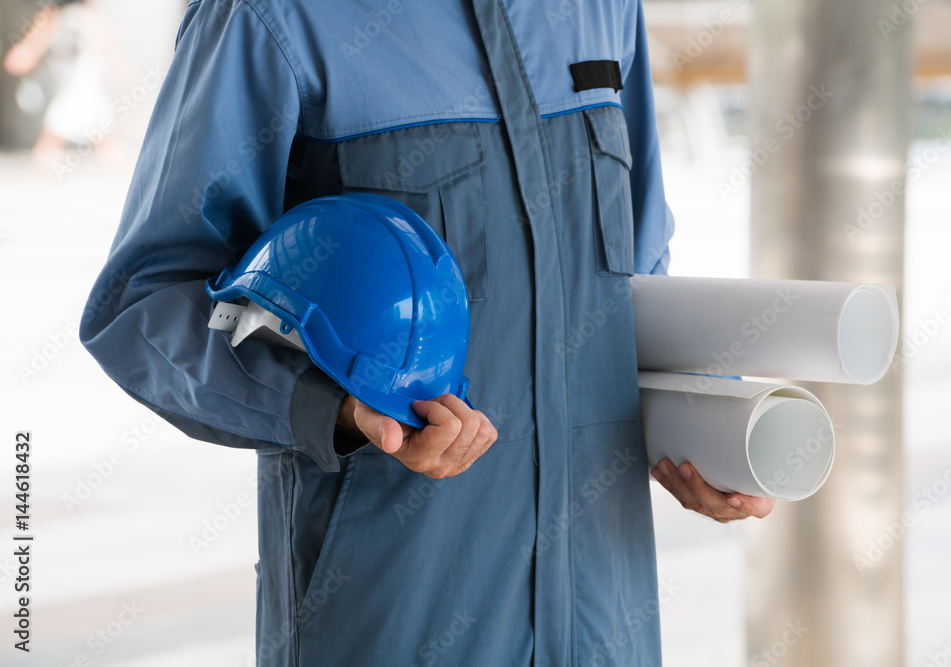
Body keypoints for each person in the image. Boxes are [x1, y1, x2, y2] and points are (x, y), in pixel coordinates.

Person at [80, 1, 773, 664]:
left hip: (604, 621)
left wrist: (705, 425)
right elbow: (145, 304)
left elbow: (635, 273)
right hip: (395, 620)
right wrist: (339, 410)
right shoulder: (269, 14)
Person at [3, 0, 116, 163]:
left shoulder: (66, 13)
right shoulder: (82, 12)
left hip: (78, 88)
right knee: (105, 147)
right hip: (81, 86)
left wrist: (24, 55)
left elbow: (30, 50)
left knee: (48, 148)